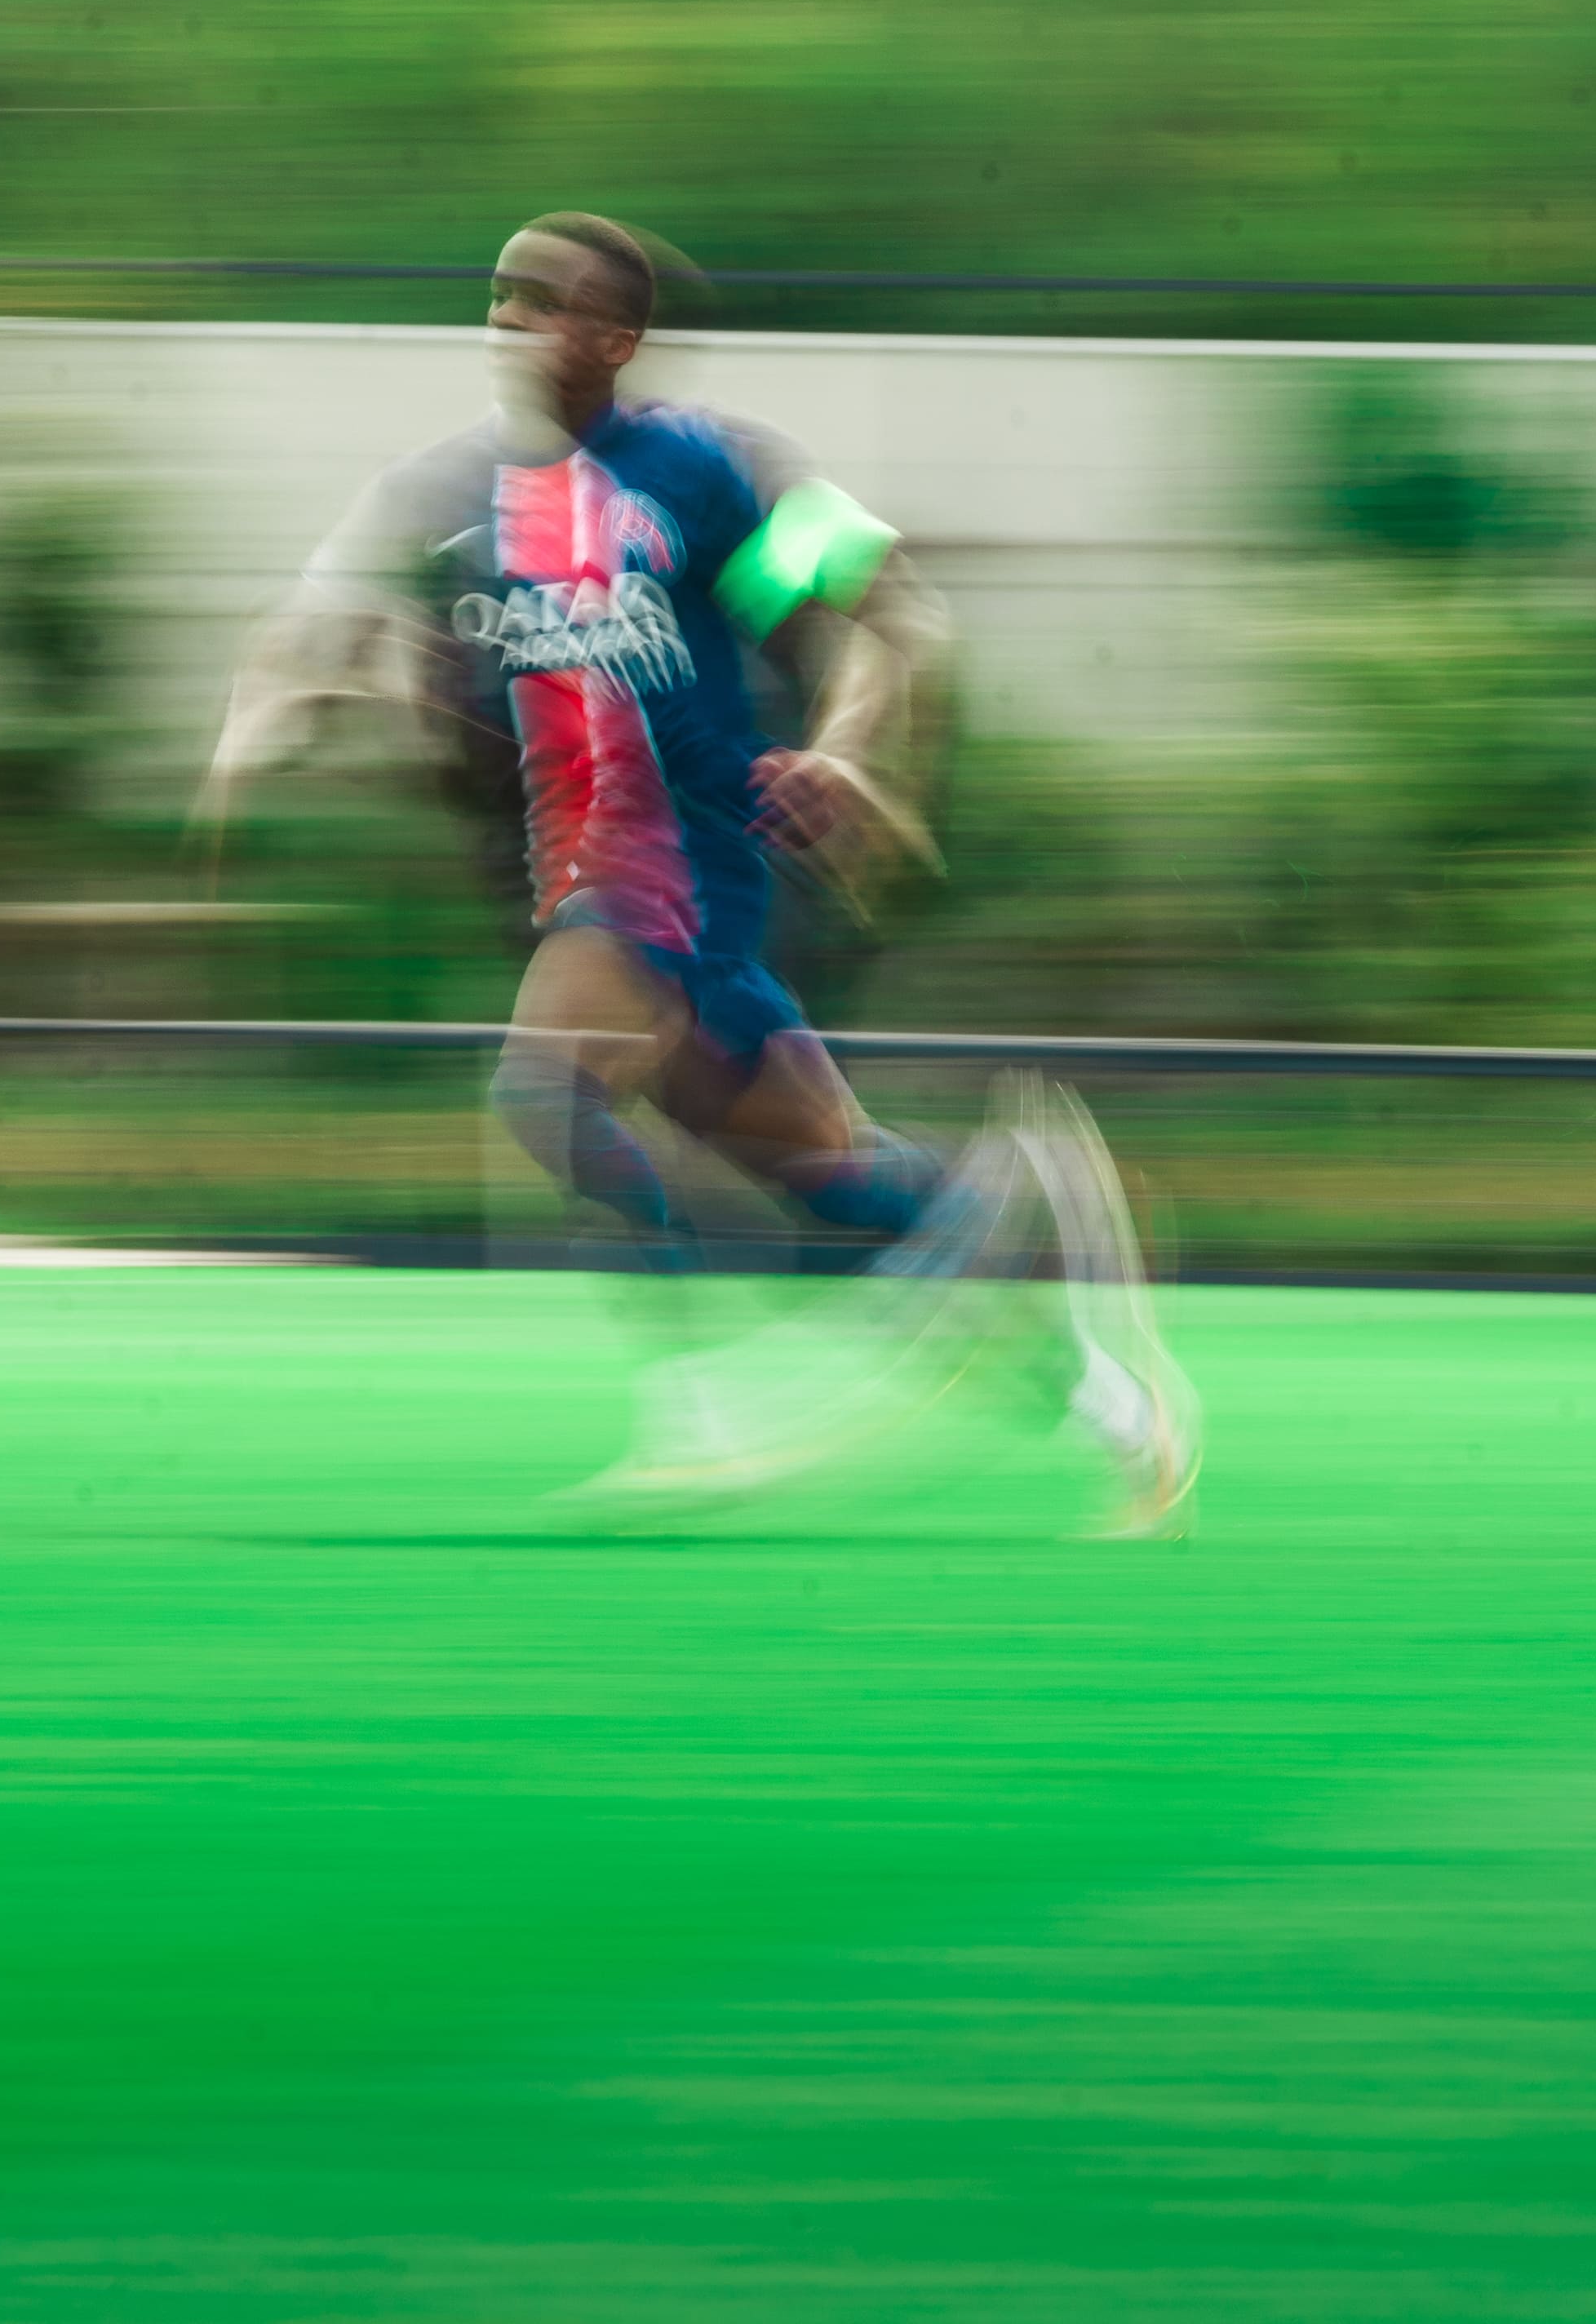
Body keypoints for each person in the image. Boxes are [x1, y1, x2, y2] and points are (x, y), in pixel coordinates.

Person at [202, 212, 1195, 1530]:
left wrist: (850, 753)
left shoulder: (708, 475)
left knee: (546, 1091)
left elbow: (894, 613)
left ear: (617, 339)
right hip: (591, 894)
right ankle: (1089, 1361)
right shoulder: (453, 502)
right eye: (500, 294)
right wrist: (267, 714)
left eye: (543, 299)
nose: (509, 319)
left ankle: (698, 1422)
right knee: (842, 1194)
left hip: (693, 867)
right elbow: (321, 621)